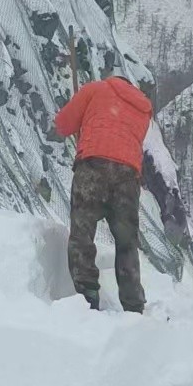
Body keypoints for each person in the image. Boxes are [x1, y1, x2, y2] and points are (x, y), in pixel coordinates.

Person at [53, 75, 153, 313]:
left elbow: (63, 125)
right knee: (126, 242)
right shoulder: (143, 110)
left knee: (82, 233)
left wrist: (82, 121)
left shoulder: (95, 89)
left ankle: (87, 296)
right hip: (128, 176)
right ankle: (133, 305)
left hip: (93, 166)